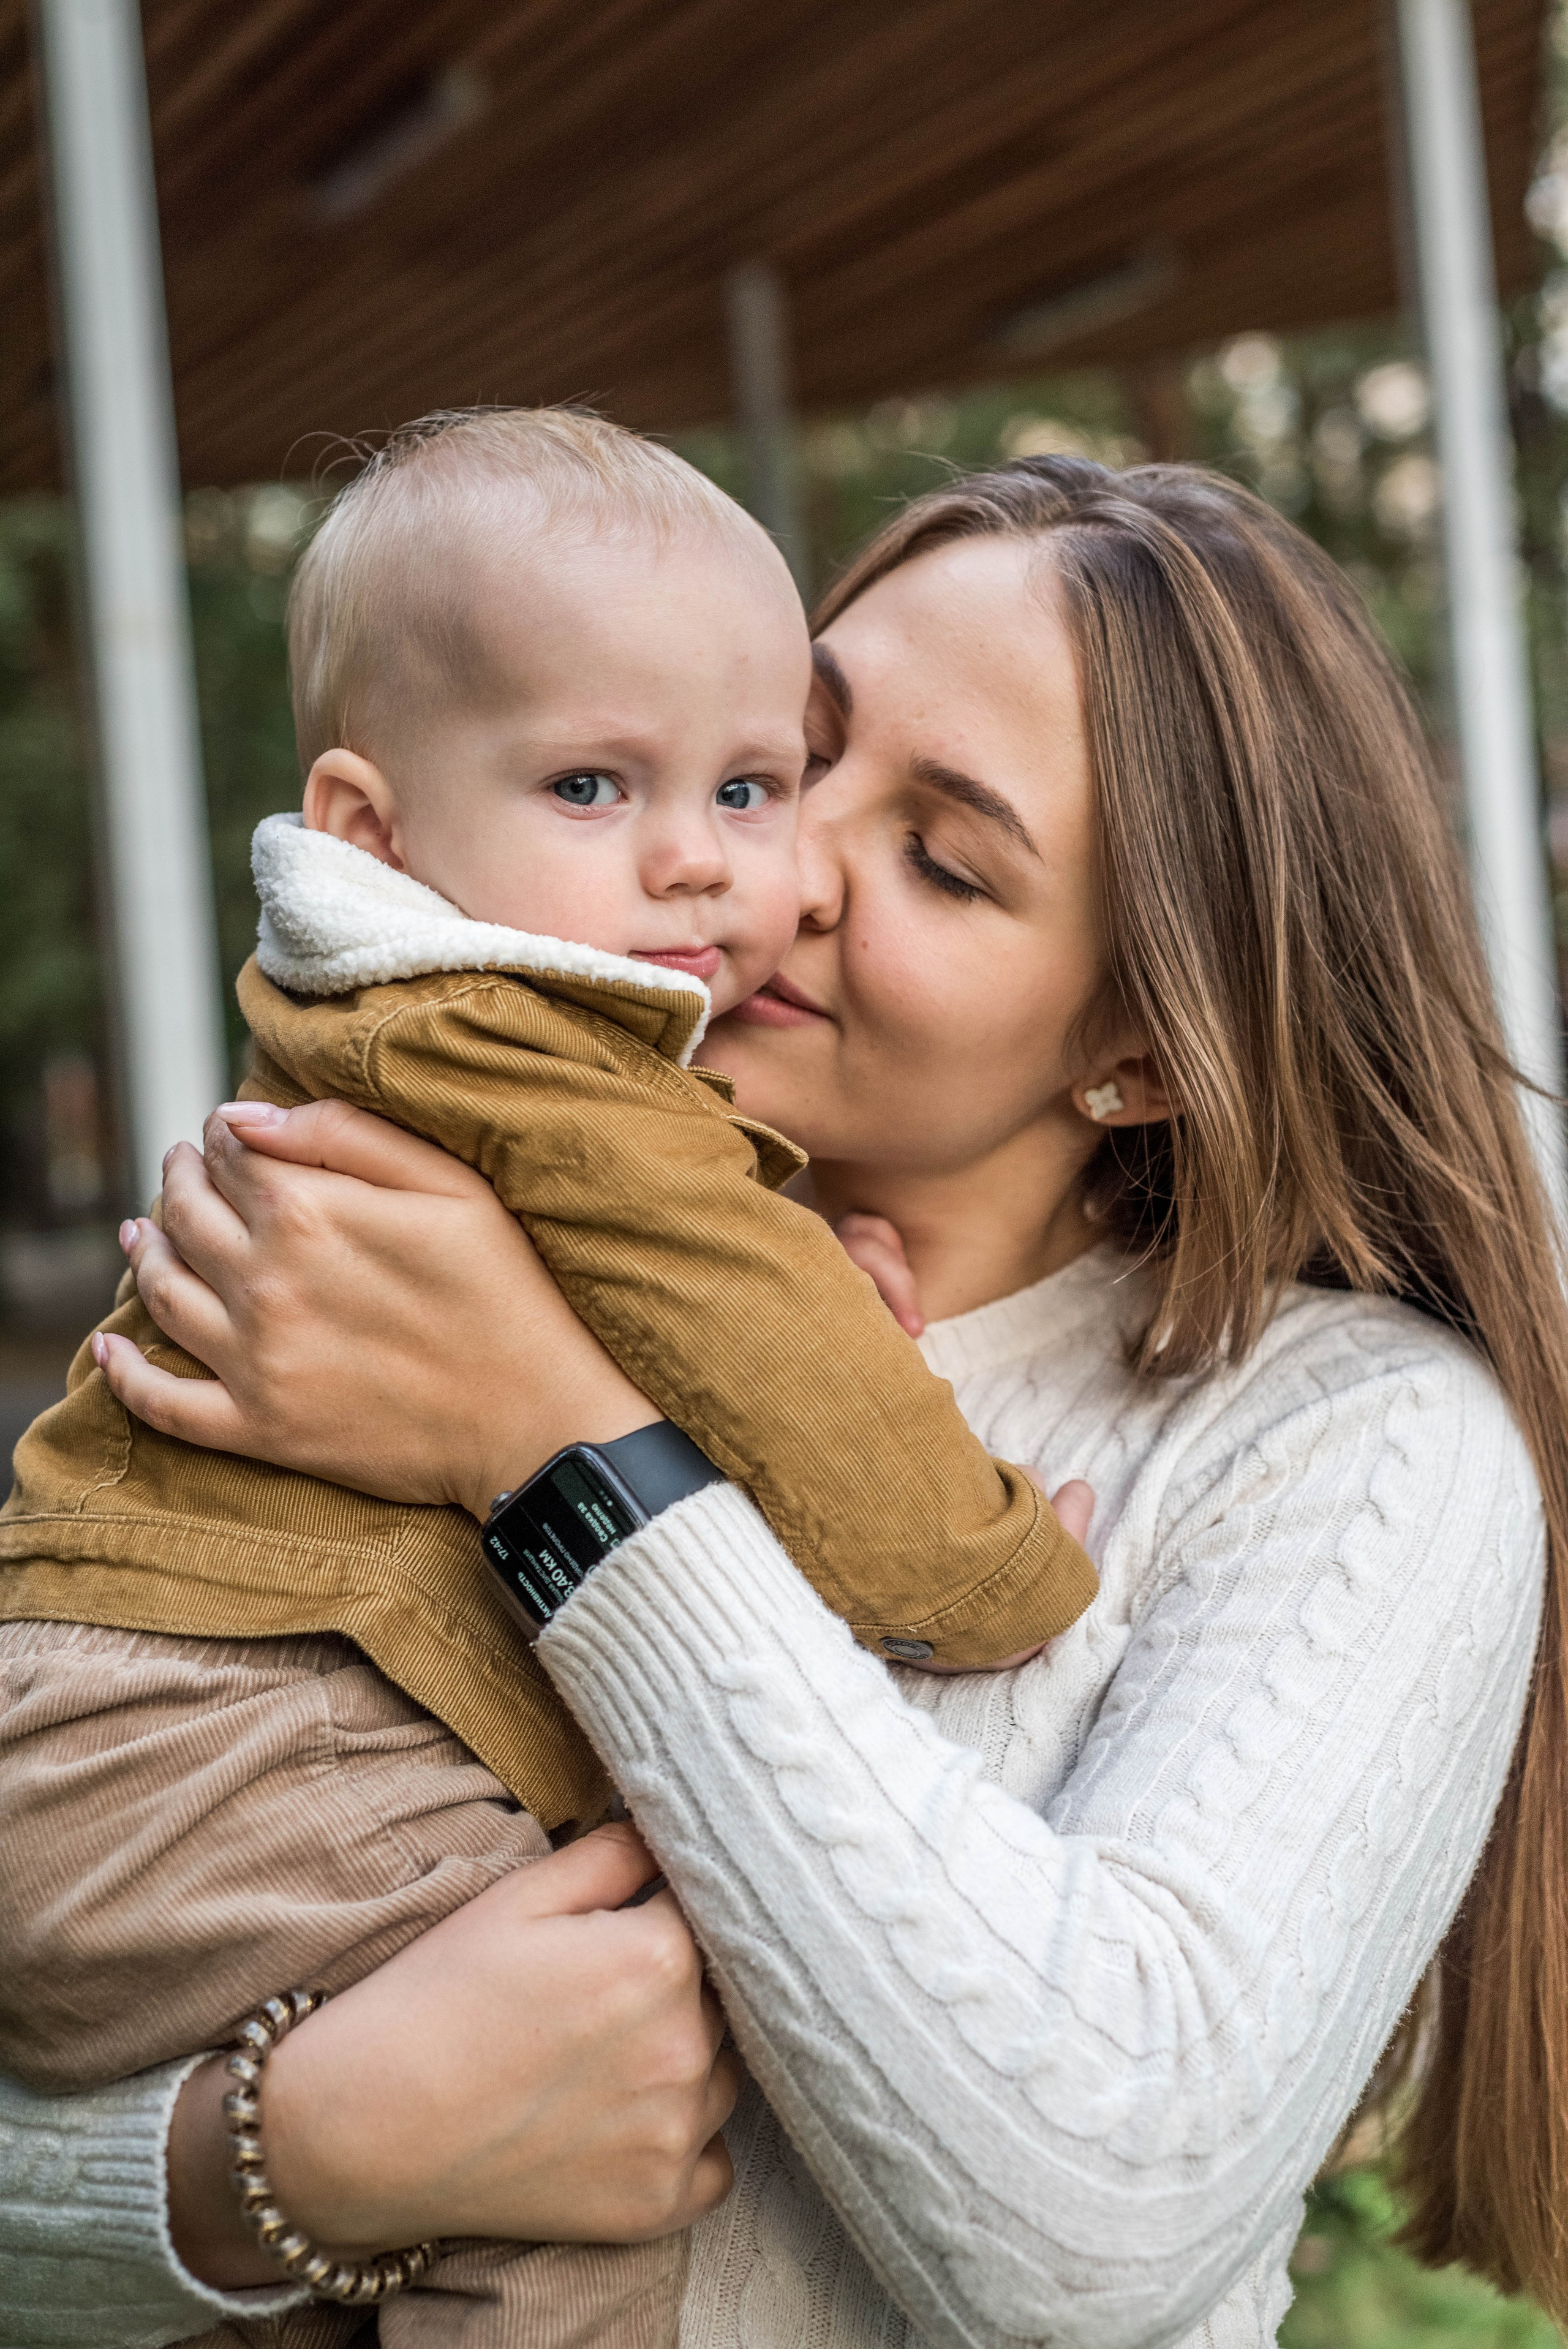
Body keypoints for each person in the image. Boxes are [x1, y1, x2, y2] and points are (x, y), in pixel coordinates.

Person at [3, 456, 1566, 2349]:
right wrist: (291, 2156)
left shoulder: (1355, 1444)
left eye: (944, 855)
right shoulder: (409, 1208)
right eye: (788, 757)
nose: (765, 860)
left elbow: (1090, 2233)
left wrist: (546, 1436)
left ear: (1140, 1052)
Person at [0, 410, 1094, 2346]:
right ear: (370, 827)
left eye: (759, 784)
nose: (715, 865)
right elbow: (848, 1454)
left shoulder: (386, 1019)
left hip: (107, 1735)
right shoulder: (558, 1071)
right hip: (213, 1745)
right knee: (591, 2084)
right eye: (595, 784)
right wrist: (1003, 1563)